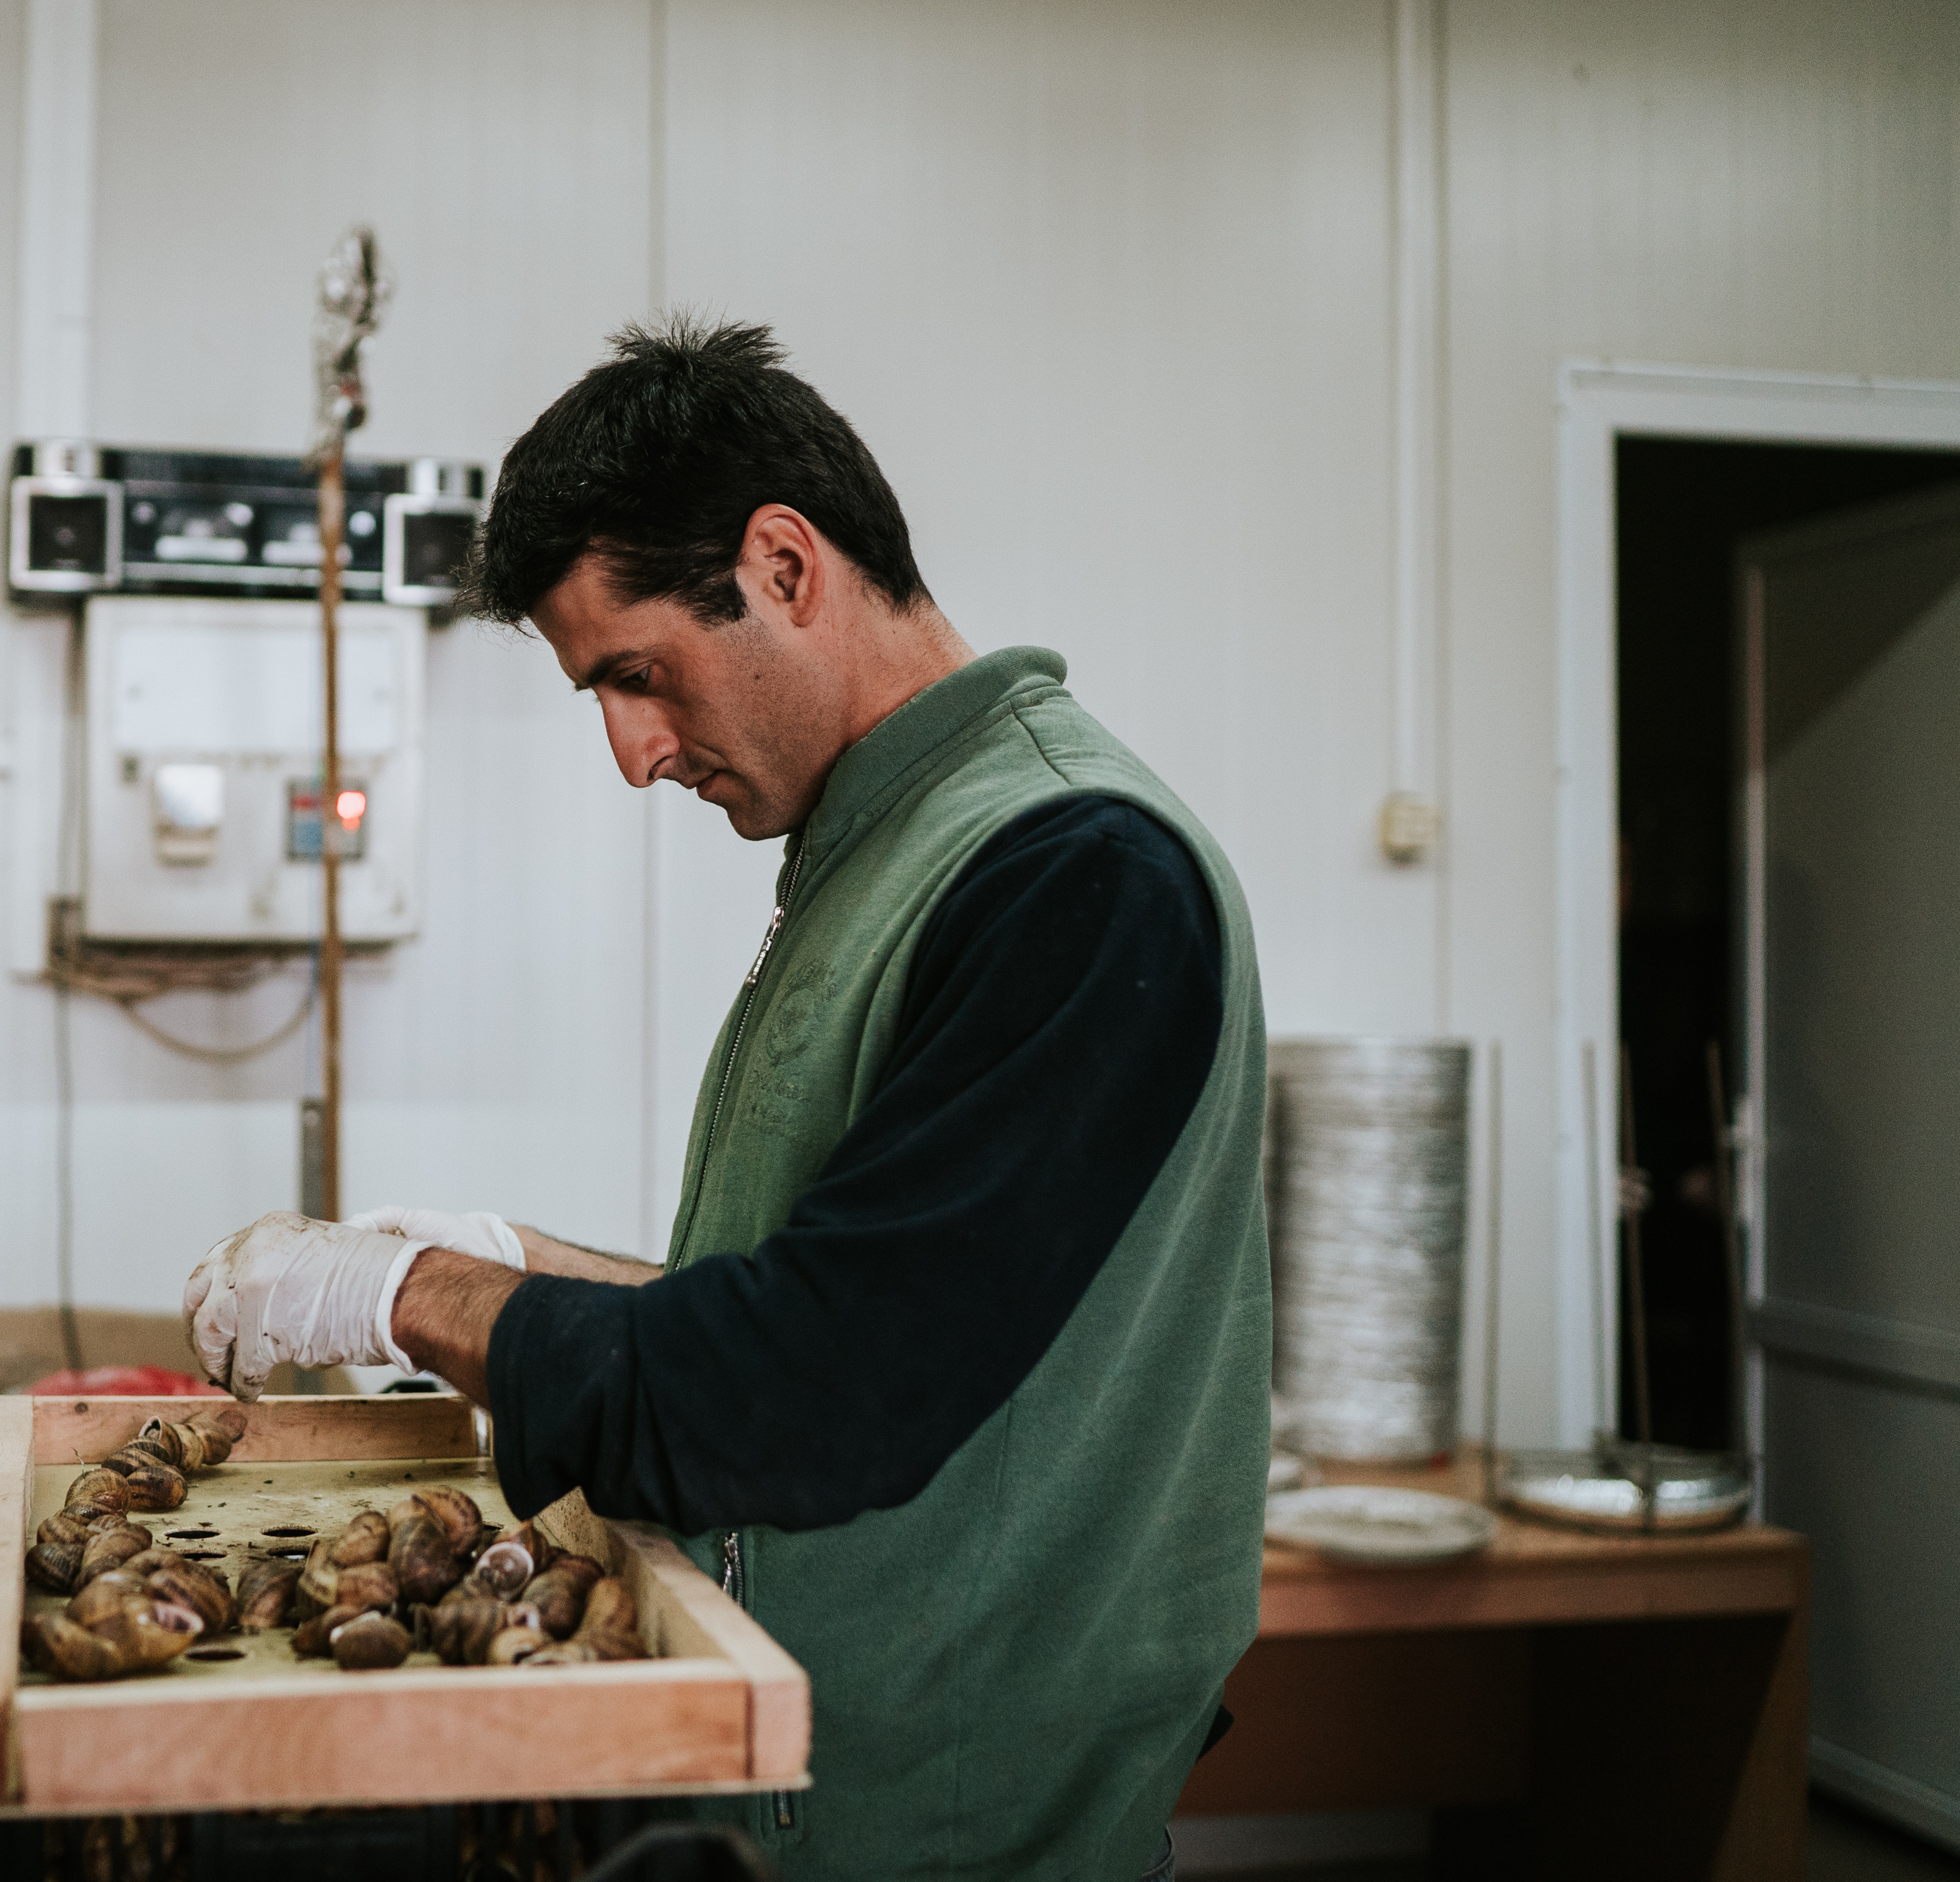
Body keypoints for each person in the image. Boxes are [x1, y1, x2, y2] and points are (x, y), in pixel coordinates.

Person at [182, 318, 1270, 1880]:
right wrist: (523, 1262)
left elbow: (814, 1389)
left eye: (637, 675)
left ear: (782, 564)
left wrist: (409, 1291)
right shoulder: (875, 852)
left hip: (944, 1827)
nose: (632, 755)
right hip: (786, 1783)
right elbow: (849, 1300)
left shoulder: (1073, 874)